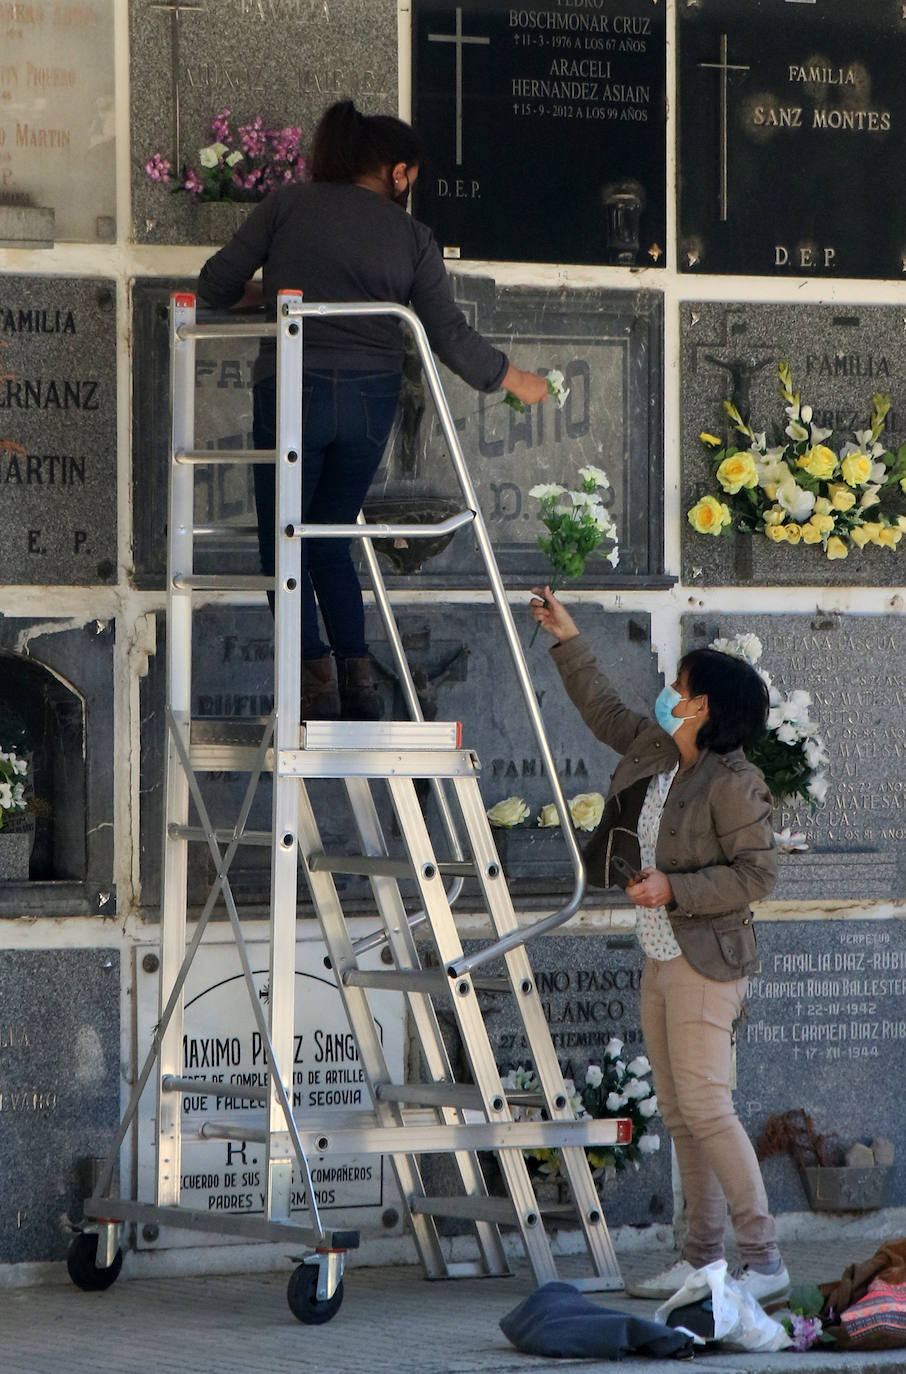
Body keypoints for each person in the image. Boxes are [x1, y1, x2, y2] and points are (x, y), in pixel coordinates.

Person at [197, 100, 548, 720]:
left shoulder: (287, 206)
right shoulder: (412, 237)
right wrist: (515, 378)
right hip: (369, 402)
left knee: (285, 542)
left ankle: (315, 686)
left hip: (292, 390)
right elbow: (448, 335)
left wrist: (270, 296)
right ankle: (360, 688)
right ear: (399, 172)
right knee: (331, 539)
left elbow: (214, 284)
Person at [529, 586, 790, 1306]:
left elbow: (758, 874)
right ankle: (701, 1260)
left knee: (708, 1108)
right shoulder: (657, 750)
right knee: (680, 1112)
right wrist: (567, 636)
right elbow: (605, 710)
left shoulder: (733, 783)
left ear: (703, 705)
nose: (668, 694)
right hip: (661, 952)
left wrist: (675, 891)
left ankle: (764, 1261)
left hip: (708, 960)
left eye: (679, 687)